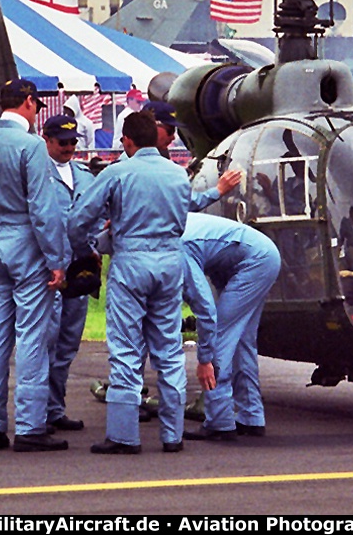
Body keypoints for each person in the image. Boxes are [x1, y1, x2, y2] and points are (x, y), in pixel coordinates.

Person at [69, 111, 191, 455]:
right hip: (169, 262)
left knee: (125, 349)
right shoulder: (179, 175)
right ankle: (173, 435)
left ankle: (124, 435)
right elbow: (182, 221)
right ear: (157, 138)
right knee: (169, 349)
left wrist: (91, 246)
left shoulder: (117, 172)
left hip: (131, 263)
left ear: (127, 141)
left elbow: (79, 221)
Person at [0, 79, 70, 453]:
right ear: (28, 103)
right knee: (32, 335)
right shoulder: (31, 146)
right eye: (36, 104)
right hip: (25, 242)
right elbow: (43, 211)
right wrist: (57, 259)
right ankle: (30, 426)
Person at [180, 213, 281, 441]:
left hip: (255, 261)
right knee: (242, 340)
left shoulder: (178, 244)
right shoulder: (173, 220)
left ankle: (219, 421)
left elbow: (206, 311)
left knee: (221, 336)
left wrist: (204, 359)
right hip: (262, 256)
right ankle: (251, 416)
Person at [41, 115, 95, 432]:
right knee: (45, 342)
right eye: (62, 142)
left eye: (73, 142)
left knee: (68, 344)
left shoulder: (85, 176)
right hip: (49, 268)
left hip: (79, 268)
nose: (69, 148)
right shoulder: (38, 174)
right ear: (46, 140)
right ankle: (38, 411)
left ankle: (55, 409)